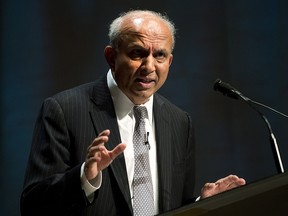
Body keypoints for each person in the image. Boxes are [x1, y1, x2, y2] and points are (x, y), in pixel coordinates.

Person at [20, 9, 245, 216]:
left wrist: (200, 203)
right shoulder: (64, 109)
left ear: (170, 61)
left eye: (159, 55)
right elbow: (33, 205)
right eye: (137, 53)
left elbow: (175, 206)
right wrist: (85, 178)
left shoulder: (179, 122)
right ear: (111, 57)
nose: (149, 66)